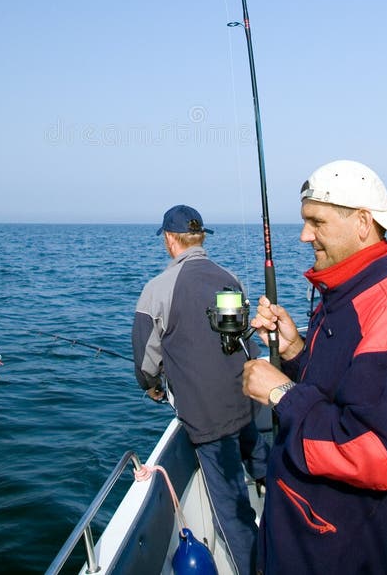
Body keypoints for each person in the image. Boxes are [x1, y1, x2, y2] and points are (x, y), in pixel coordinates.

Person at [242, 160, 387, 575]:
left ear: (363, 223)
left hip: (348, 552)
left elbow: (378, 454)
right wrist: (295, 350)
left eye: (317, 221)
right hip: (312, 539)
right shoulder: (347, 296)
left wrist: (281, 393)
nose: (304, 235)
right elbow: (339, 392)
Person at [132, 204, 265, 575]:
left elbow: (145, 364)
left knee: (232, 513)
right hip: (246, 401)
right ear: (200, 238)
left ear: (170, 240)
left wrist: (153, 388)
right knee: (260, 457)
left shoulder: (157, 290)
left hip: (208, 420)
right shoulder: (229, 278)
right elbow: (237, 341)